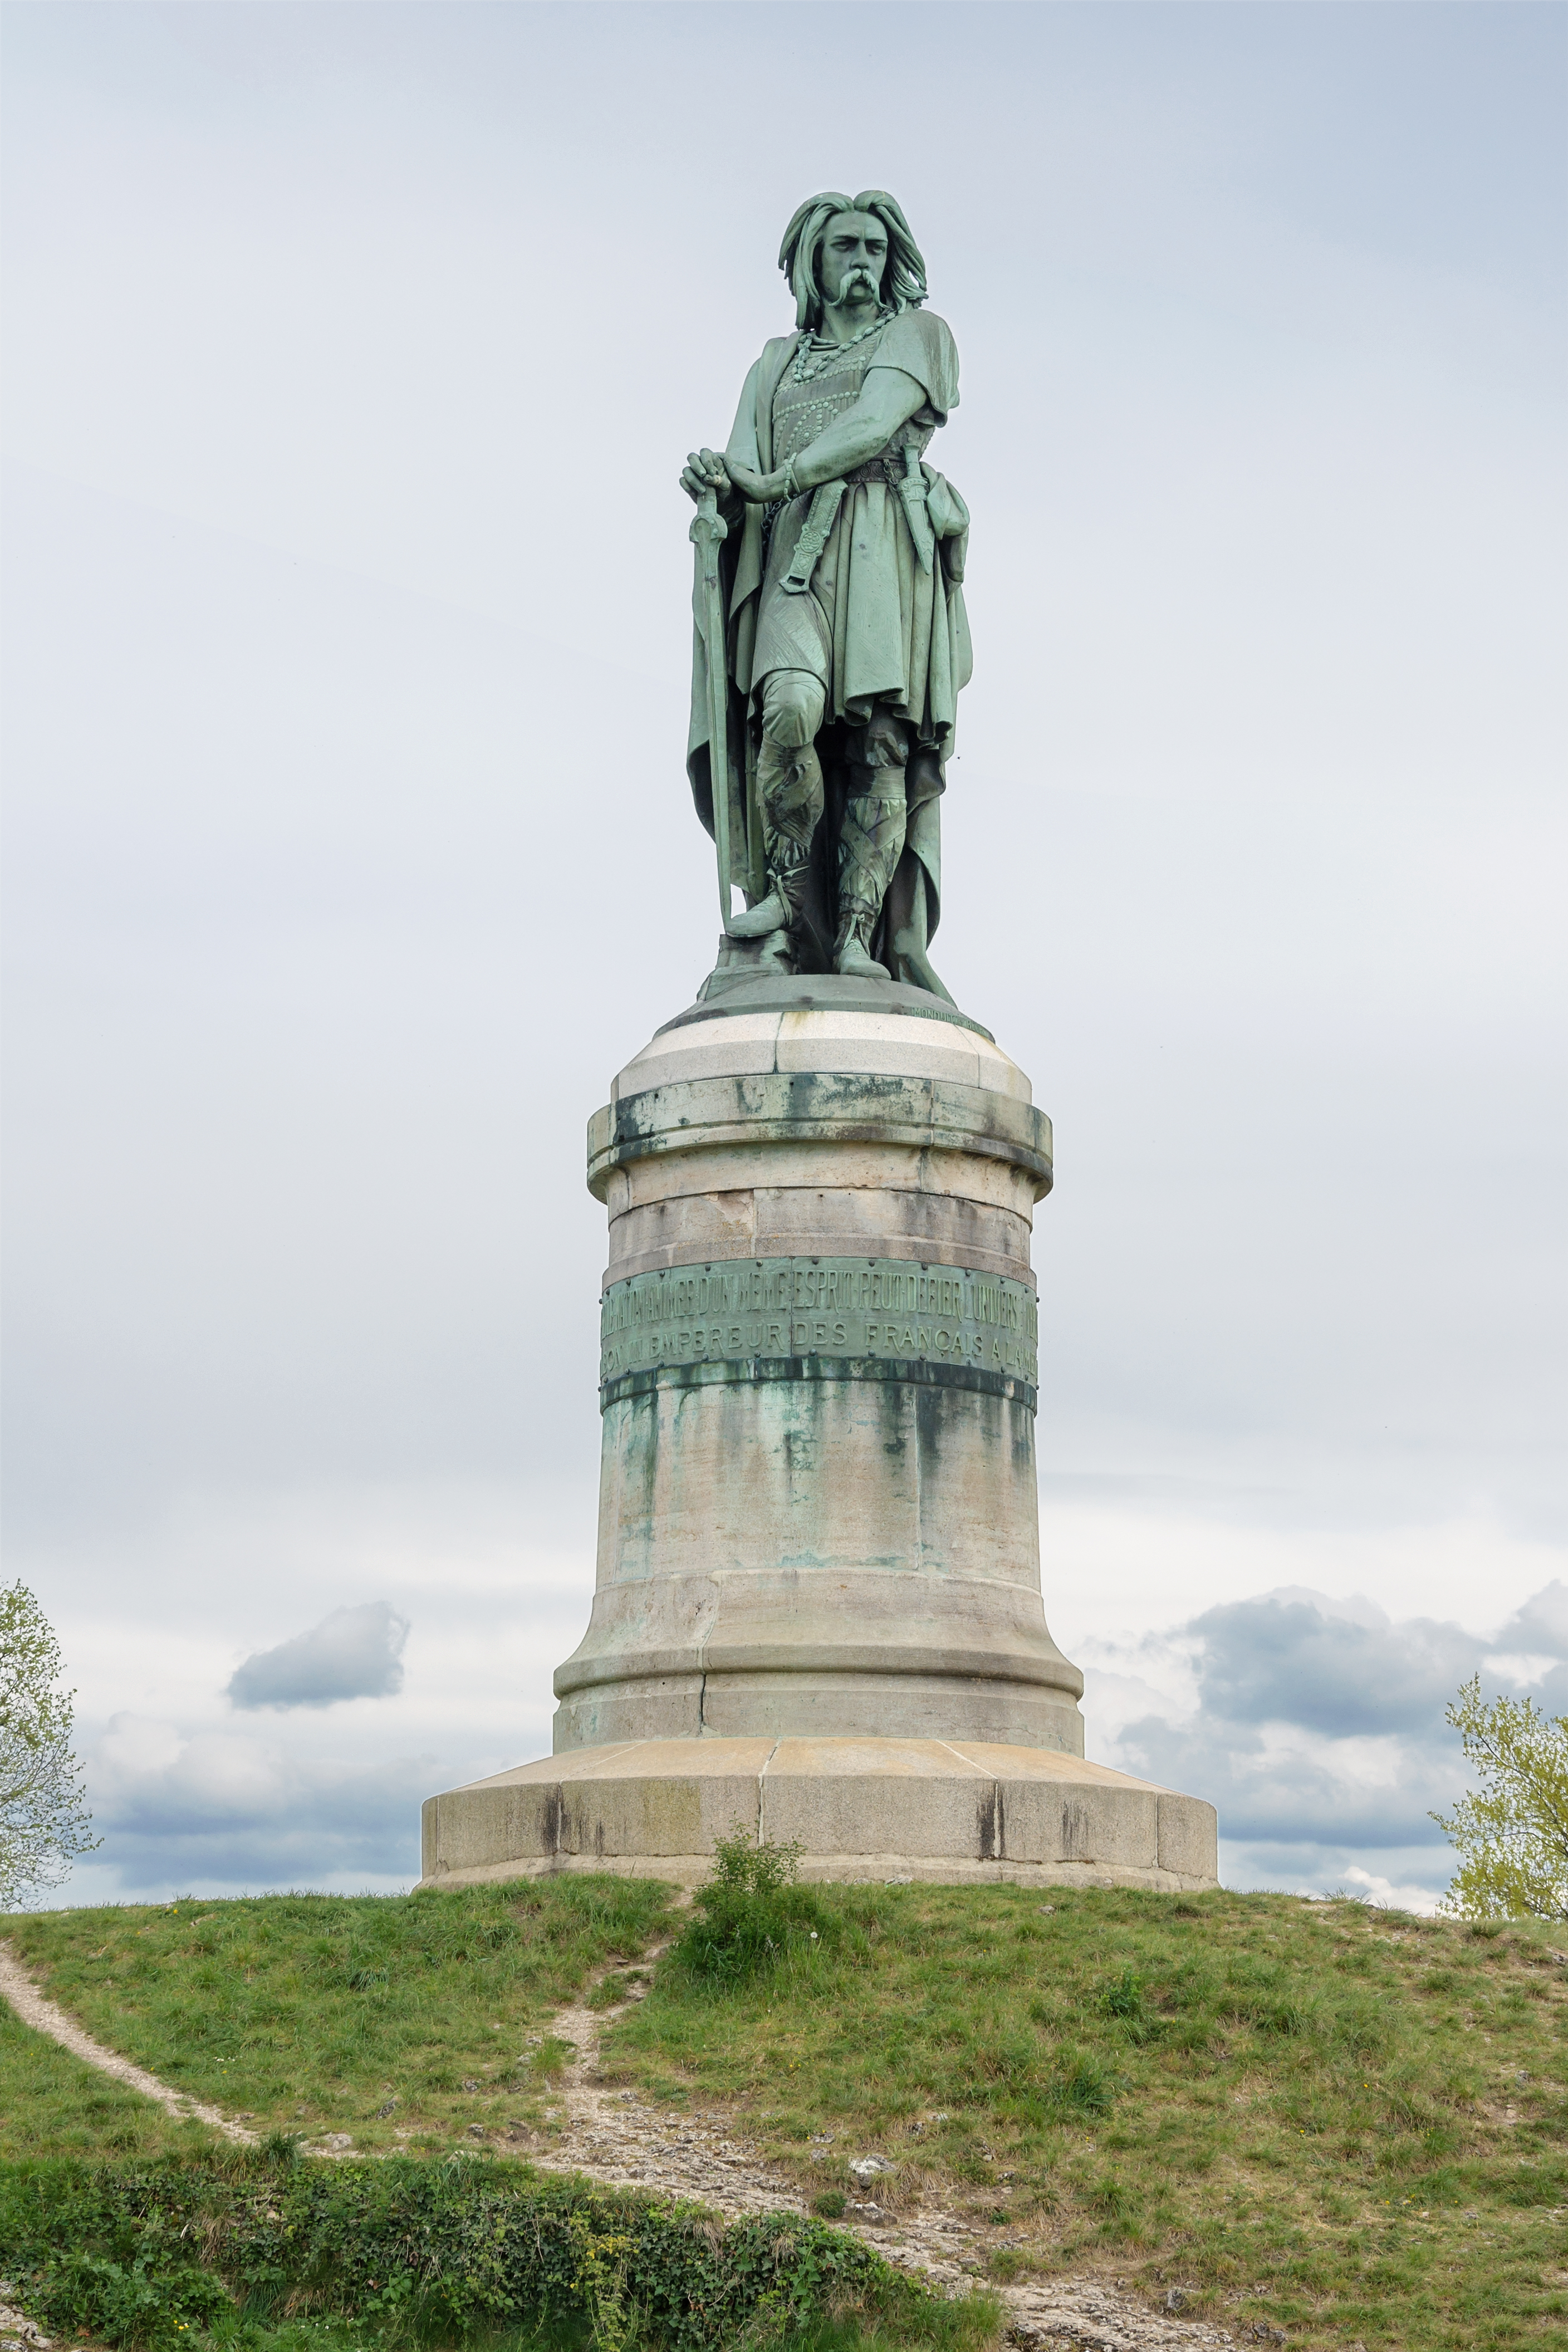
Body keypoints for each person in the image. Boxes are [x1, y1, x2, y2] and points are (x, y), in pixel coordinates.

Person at [682, 190, 971, 994]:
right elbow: (744, 461)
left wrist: (776, 477)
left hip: (880, 545)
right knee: (789, 708)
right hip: (791, 557)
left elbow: (874, 424)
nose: (863, 263)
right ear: (815, 262)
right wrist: (720, 484)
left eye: (876, 250)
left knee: (878, 742)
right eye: (845, 247)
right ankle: (787, 898)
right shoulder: (774, 363)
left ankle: (854, 932)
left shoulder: (920, 335)